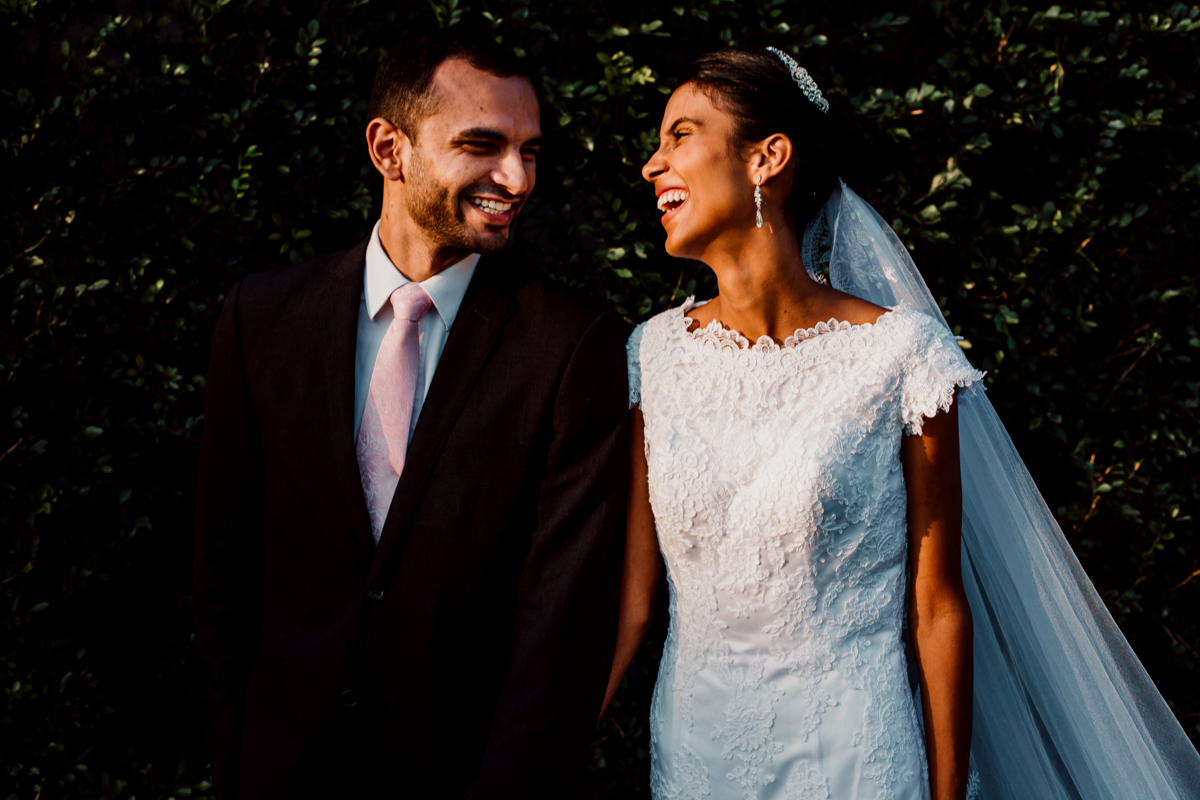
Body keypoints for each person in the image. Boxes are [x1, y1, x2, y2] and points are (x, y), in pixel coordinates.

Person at [608, 46, 1200, 800]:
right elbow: (631, 605)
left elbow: (938, 606)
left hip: (855, 754)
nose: (653, 164)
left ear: (767, 157)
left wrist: (947, 794)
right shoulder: (650, 354)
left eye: (680, 134)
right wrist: (522, 759)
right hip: (696, 755)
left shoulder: (901, 356)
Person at [193, 33, 628, 799]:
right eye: (483, 145)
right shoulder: (260, 319)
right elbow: (224, 570)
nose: (516, 178)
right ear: (388, 148)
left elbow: (559, 630)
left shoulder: (572, 343)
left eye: (530, 151)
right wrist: (236, 758)